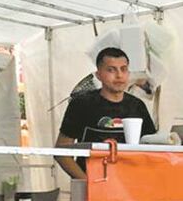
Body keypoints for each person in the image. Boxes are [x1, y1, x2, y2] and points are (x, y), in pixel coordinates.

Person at [56, 47, 156, 179]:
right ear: (99, 75)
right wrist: (86, 182)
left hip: (129, 185)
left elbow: (152, 148)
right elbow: (61, 151)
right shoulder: (81, 104)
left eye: (123, 69)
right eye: (111, 70)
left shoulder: (137, 106)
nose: (119, 75)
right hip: (92, 185)